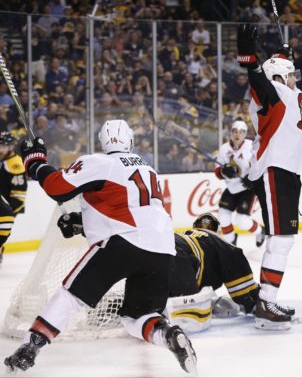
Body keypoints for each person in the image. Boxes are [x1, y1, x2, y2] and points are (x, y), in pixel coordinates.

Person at [4, 120, 197, 374]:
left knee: (71, 296)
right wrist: (79, 221)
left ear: (103, 141)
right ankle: (167, 334)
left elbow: (56, 188)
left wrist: (35, 161)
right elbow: (128, 208)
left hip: (122, 243)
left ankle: (30, 347)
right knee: (135, 317)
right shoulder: (149, 170)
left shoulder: (100, 162)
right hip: (162, 248)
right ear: (130, 140)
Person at [57, 211, 261, 330]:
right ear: (215, 230)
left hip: (151, 252)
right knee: (193, 313)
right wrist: (253, 301)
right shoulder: (216, 240)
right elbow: (236, 258)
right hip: (179, 265)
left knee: (142, 306)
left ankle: (107, 311)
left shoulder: (182, 232)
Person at [236, 24, 302, 330]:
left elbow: (274, 73)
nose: (295, 79)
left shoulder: (290, 92)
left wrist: (282, 55)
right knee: (280, 240)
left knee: (283, 239)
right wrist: (249, 55)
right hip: (275, 169)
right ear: (279, 77)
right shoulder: (273, 92)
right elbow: (258, 78)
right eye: (290, 73)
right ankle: (266, 303)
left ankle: (267, 299)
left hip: (287, 171)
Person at [214, 120, 265, 247]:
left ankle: (260, 231)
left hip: (247, 188)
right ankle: (231, 242)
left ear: (245, 134)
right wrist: (224, 171)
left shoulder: (251, 146)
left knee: (241, 220)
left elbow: (260, 165)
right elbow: (217, 172)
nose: (238, 135)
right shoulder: (224, 149)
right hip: (232, 188)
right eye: (235, 132)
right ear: (231, 133)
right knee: (223, 217)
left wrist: (252, 176)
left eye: (241, 132)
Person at [0, 131, 27, 265]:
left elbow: (19, 192)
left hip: (7, 207)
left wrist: (12, 209)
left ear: (11, 147)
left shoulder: (15, 163)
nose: (1, 149)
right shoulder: (3, 160)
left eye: (3, 146)